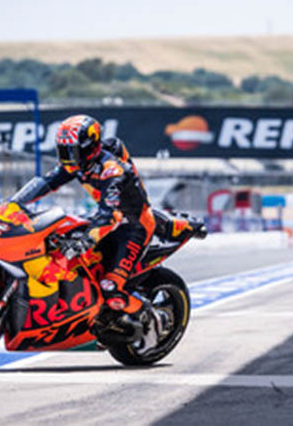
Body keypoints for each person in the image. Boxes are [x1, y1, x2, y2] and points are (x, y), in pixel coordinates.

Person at [13, 115, 202, 351]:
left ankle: (151, 317)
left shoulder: (111, 171)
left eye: (72, 151)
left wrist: (86, 240)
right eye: (64, 151)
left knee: (110, 288)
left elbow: (109, 214)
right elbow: (46, 182)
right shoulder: (78, 165)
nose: (67, 158)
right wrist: (13, 202)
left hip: (133, 227)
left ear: (90, 147)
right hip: (105, 222)